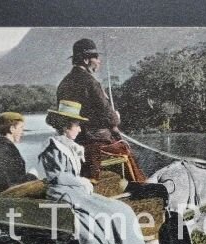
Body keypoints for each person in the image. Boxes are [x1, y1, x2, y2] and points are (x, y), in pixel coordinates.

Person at [40, 100, 147, 244]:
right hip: (63, 195)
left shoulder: (69, 146)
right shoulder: (53, 146)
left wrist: (81, 182)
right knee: (101, 217)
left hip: (76, 193)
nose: (80, 129)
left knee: (122, 209)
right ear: (66, 126)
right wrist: (81, 181)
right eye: (77, 125)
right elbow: (56, 176)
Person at [55, 38, 145, 182]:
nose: (99, 61)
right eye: (95, 57)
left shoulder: (63, 83)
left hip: (72, 139)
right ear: (85, 60)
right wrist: (116, 117)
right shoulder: (91, 83)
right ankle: (140, 189)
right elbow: (110, 118)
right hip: (95, 141)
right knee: (126, 151)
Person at [0, 112, 37, 195]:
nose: (22, 132)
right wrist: (32, 176)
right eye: (21, 128)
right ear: (12, 128)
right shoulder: (8, 148)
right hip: (4, 194)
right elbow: (13, 182)